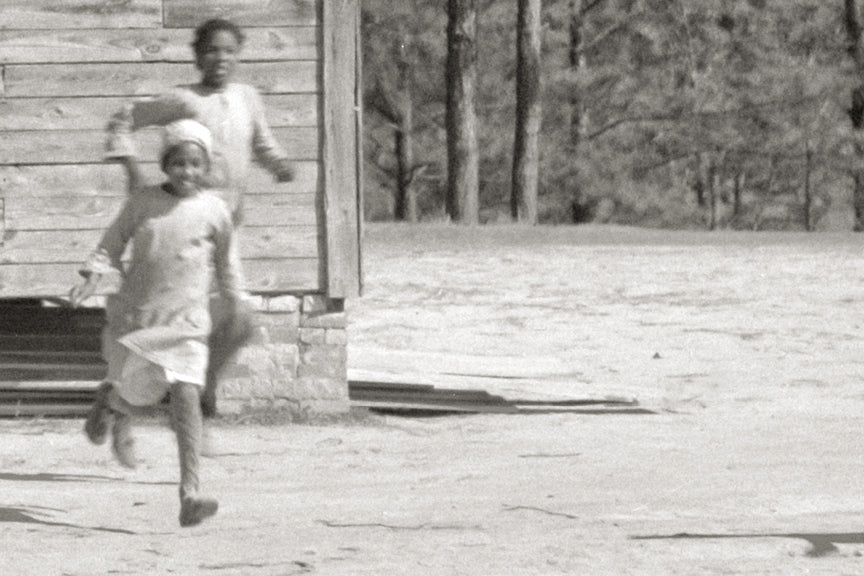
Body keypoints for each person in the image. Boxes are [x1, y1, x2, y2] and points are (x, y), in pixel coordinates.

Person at [105, 17, 295, 417]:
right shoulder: (185, 100)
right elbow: (124, 118)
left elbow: (260, 143)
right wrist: (133, 171)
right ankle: (145, 398)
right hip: (183, 230)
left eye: (229, 50)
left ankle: (202, 393)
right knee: (166, 318)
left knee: (240, 319)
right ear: (197, 56)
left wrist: (278, 165)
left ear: (238, 54)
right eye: (211, 50)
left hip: (225, 230)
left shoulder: (247, 96)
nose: (221, 58)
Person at [72, 120, 245, 527]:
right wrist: (93, 274)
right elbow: (112, 243)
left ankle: (190, 494)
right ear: (166, 164)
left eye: (195, 164)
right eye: (179, 163)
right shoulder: (143, 202)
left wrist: (237, 303)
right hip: (140, 322)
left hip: (187, 325)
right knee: (139, 399)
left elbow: (227, 263)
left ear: (206, 167)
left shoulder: (214, 210)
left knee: (186, 395)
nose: (187, 172)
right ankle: (108, 404)